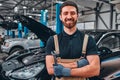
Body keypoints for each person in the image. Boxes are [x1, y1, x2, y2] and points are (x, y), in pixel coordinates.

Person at [45, 1, 100, 80]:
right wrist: (80, 64)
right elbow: (50, 70)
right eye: (65, 13)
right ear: (60, 17)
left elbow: (95, 70)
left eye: (72, 13)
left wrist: (64, 71)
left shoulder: (88, 40)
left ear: (77, 16)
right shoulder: (52, 40)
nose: (69, 16)